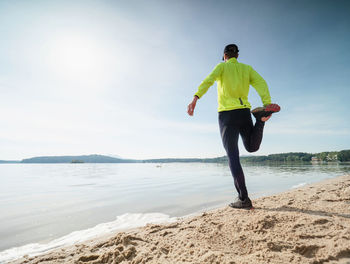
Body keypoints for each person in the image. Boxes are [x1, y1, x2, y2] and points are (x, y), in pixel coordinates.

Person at [187, 44, 280, 209]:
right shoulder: (247, 69)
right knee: (252, 147)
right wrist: (266, 102)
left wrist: (196, 97)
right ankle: (260, 120)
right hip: (244, 112)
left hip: (227, 115)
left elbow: (208, 81)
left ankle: (244, 199)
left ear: (225, 56)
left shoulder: (221, 67)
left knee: (233, 156)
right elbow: (261, 83)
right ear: (236, 55)